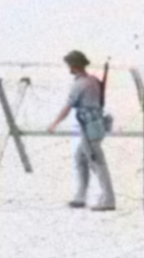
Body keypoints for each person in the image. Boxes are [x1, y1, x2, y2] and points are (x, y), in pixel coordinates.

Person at [47, 50, 116, 211]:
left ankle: (109, 200)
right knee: (80, 157)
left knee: (97, 162)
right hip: (97, 124)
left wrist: (54, 123)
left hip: (89, 127)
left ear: (75, 66)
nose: (68, 68)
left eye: (70, 65)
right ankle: (80, 197)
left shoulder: (79, 84)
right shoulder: (94, 80)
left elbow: (67, 107)